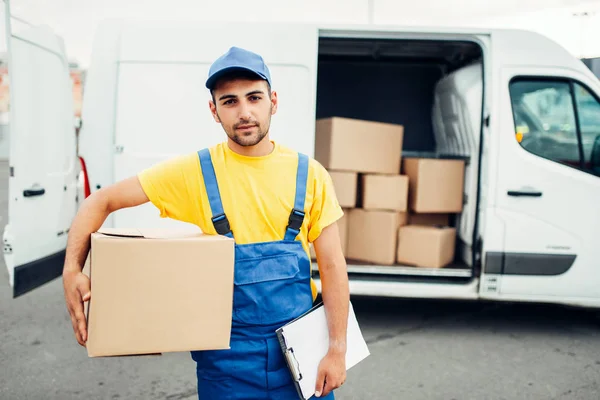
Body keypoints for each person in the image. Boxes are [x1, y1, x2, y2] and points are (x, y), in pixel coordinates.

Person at [62, 46, 350, 399]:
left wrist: (336, 350)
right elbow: (100, 201)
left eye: (253, 97)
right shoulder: (195, 172)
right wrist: (71, 268)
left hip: (306, 355)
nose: (244, 112)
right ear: (214, 111)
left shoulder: (311, 175)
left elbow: (334, 267)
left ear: (273, 101)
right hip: (227, 364)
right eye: (229, 101)